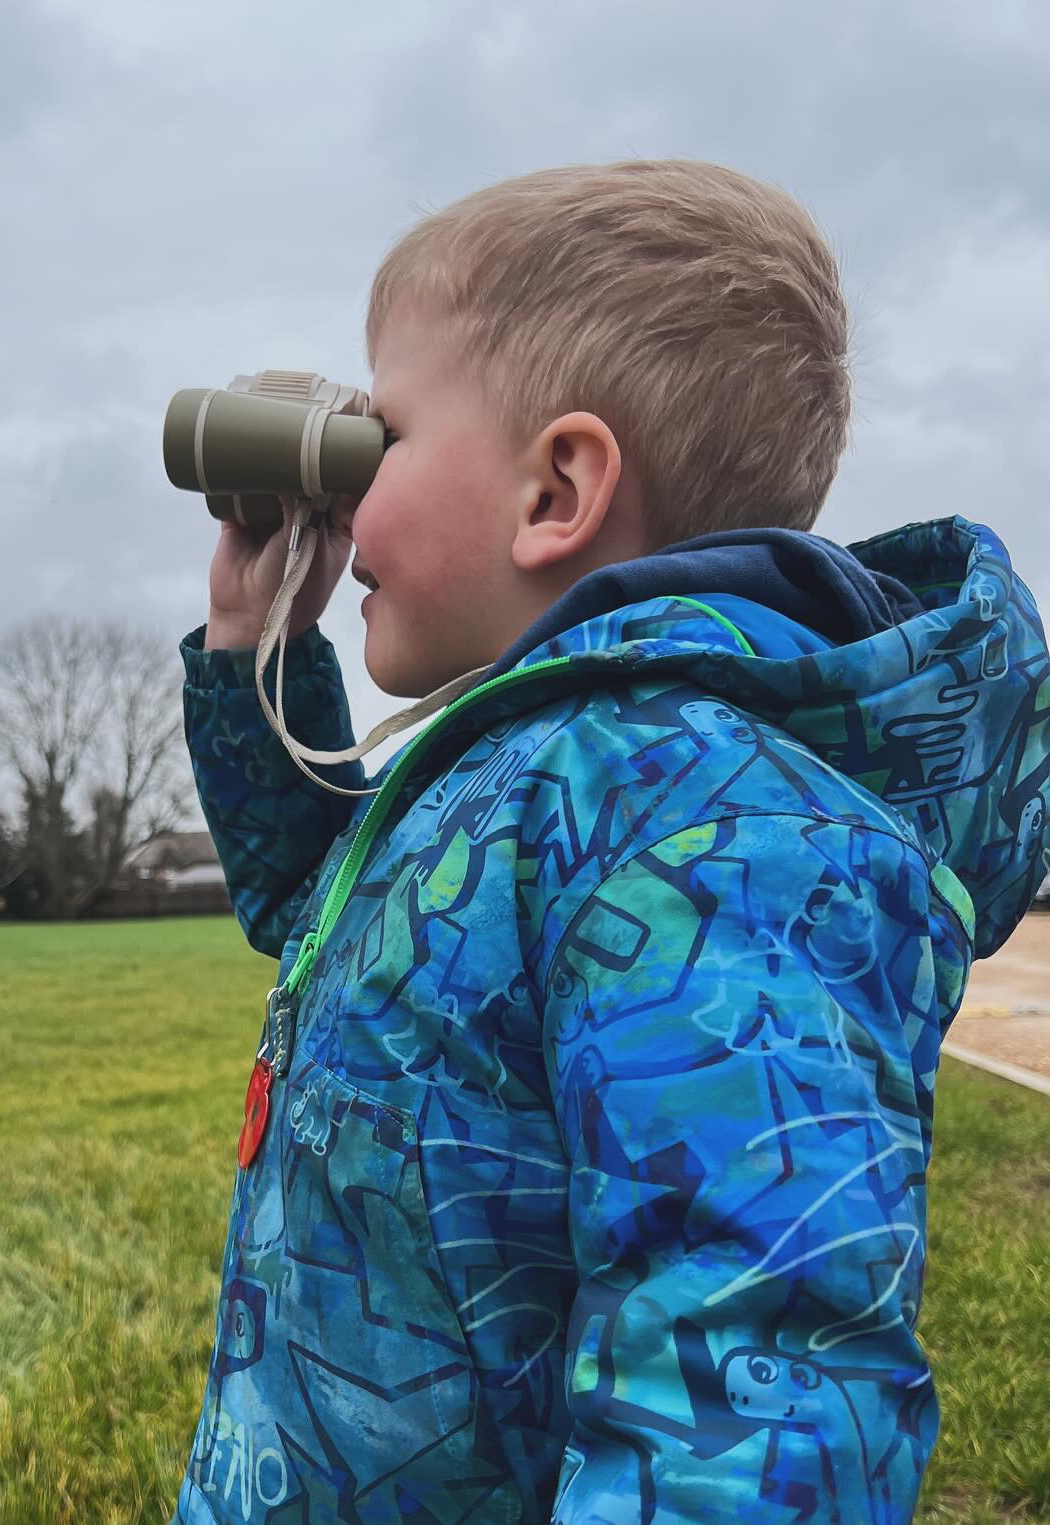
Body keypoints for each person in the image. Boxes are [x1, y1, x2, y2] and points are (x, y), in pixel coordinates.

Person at [171, 160, 1050, 1523]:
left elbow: (755, 1375)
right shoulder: (525, 766)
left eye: (380, 439)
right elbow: (315, 905)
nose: (345, 502)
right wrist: (255, 649)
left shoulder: (714, 825)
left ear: (557, 489)